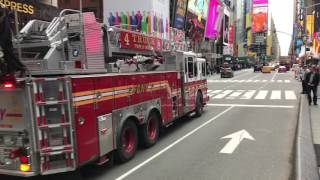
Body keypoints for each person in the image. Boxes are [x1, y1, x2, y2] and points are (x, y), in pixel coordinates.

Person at [0, 6, 26, 75]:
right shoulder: (4, 16)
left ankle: (20, 68)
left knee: (9, 54)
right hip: (5, 39)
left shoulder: (3, 17)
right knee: (8, 55)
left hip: (5, 39)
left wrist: (2, 43)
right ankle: (14, 69)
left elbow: (5, 31)